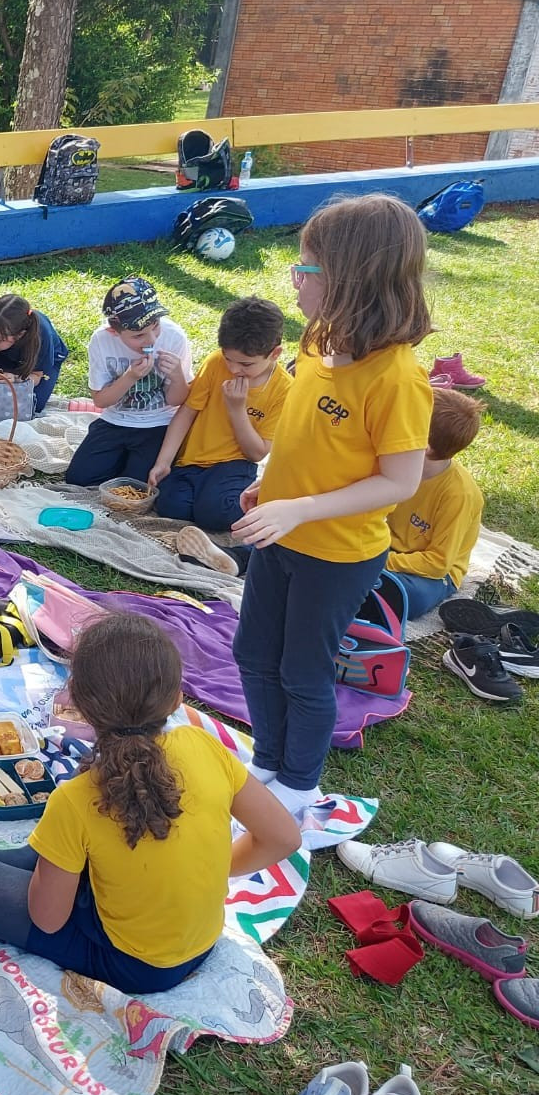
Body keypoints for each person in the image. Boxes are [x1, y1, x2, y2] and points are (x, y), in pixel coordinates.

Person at [0, 615, 301, 994]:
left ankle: (51, 865)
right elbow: (284, 838)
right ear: (176, 699)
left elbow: (48, 920)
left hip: (134, 965)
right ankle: (56, 863)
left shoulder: (75, 799)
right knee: (43, 853)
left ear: (80, 705)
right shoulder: (204, 745)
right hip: (202, 940)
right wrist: (210, 870)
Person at [232, 194, 435, 813]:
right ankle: (268, 761)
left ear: (353, 279)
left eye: (306, 269)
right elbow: (307, 435)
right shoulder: (317, 342)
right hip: (280, 533)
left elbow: (399, 482)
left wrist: (299, 508)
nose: (295, 280)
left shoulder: (397, 377)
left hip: (336, 554)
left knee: (303, 671)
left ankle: (299, 787)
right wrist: (272, 486)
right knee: (252, 653)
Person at [149, 297, 290, 531]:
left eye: (246, 364)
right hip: (191, 460)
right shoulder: (216, 363)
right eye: (228, 358)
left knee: (218, 515)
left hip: (233, 464)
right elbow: (187, 412)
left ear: (275, 353)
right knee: (170, 506)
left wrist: (237, 409)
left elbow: (256, 453)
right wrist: (163, 462)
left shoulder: (284, 390)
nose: (234, 369)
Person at [64, 277, 194, 487]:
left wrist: (177, 376)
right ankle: (121, 460)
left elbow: (176, 400)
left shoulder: (174, 337)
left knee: (137, 485)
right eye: (138, 335)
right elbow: (101, 401)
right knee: (79, 479)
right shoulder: (101, 340)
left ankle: (128, 463)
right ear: (114, 331)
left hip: (159, 422)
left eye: (155, 326)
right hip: (116, 419)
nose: (151, 339)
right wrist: (130, 377)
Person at [385, 388, 485, 617]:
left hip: (430, 574)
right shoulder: (393, 463)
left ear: (425, 445)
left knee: (408, 597)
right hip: (386, 548)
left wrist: (381, 561)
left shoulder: (459, 494)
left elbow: (437, 563)